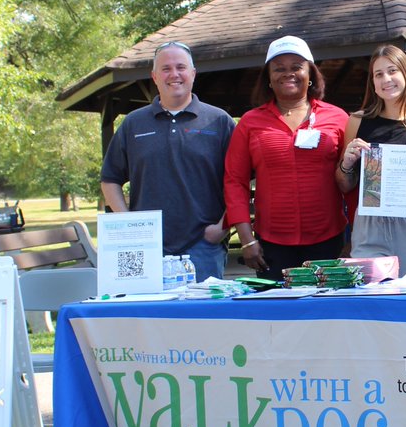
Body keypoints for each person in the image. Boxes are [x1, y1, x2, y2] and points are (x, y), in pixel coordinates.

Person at [100, 40, 235, 281]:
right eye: (166, 68)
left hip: (202, 246)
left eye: (181, 67)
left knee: (203, 318)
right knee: (147, 317)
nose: (174, 74)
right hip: (145, 247)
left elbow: (240, 181)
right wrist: (129, 225)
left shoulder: (219, 121)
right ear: (154, 76)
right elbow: (110, 180)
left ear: (193, 73)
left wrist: (222, 227)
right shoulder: (133, 123)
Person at [224, 35, 349, 281]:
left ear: (311, 74)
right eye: (279, 68)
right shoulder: (250, 122)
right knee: (275, 316)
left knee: (329, 315)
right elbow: (234, 181)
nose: (287, 73)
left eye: (296, 67)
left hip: (330, 241)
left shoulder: (339, 118)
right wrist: (247, 240)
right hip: (271, 246)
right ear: (268, 78)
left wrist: (355, 240)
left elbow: (354, 181)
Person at [335, 46, 406, 275]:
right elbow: (344, 184)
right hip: (370, 225)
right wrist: (346, 163)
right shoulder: (357, 122)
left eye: (392, 71)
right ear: (373, 82)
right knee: (372, 300)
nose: (386, 79)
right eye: (379, 74)